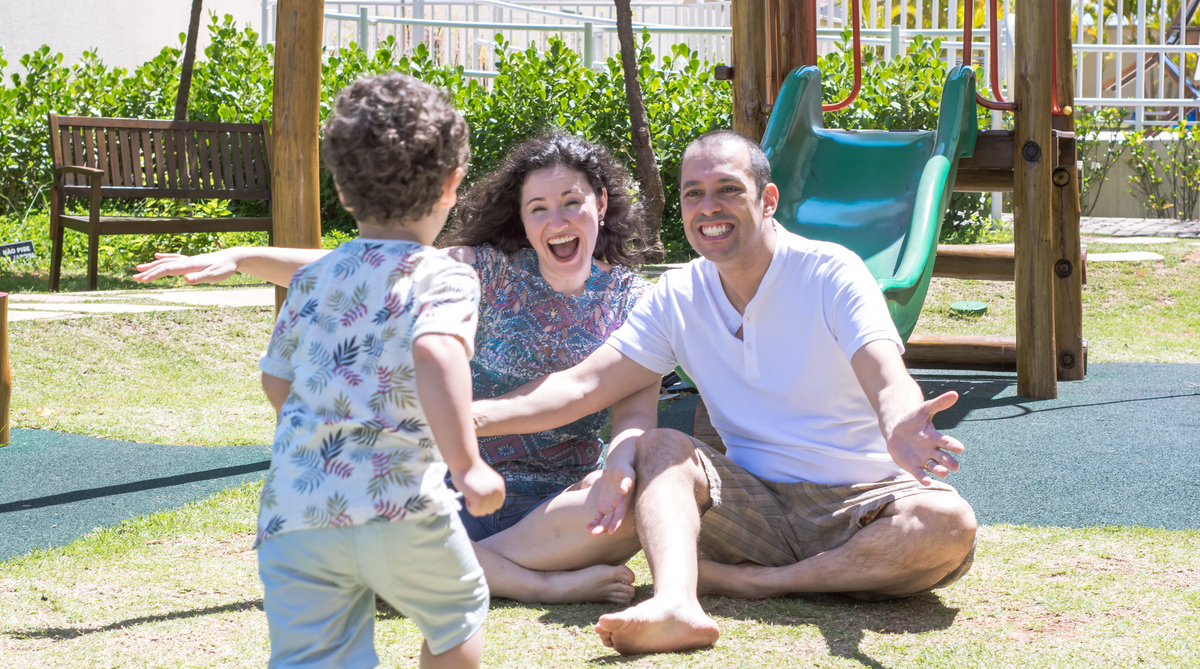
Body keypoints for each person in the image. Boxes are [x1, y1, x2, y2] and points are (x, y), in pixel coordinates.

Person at [471, 129, 979, 655]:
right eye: (694, 193)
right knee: (659, 447)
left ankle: (758, 583)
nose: (708, 207)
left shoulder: (831, 271)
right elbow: (582, 385)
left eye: (728, 189)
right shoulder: (677, 294)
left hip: (862, 500)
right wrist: (465, 418)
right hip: (747, 506)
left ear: (768, 199)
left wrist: (899, 422)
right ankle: (677, 603)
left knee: (946, 524)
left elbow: (886, 373)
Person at [134, 133, 656, 606]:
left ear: (601, 203)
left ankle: (429, 567)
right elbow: (364, 268)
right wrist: (246, 256)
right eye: (538, 208)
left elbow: (636, 416)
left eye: (571, 203)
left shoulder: (637, 302)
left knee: (629, 510)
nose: (556, 221)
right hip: (452, 486)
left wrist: (619, 467)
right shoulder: (481, 270)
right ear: (521, 218)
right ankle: (532, 582)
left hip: (558, 505)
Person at [255, 73, 505, 668]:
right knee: (458, 611)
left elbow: (276, 381)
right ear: (452, 183)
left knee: (315, 656)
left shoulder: (312, 278)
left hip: (296, 510)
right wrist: (468, 467)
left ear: (341, 189)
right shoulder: (443, 275)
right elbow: (436, 352)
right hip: (399, 504)